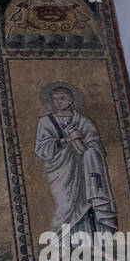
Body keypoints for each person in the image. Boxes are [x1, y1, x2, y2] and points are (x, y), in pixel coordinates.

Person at [33, 84, 116, 236]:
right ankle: (63, 243)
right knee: (64, 205)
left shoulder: (84, 122)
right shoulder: (45, 123)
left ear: (71, 100)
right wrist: (67, 140)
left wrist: (84, 146)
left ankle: (92, 242)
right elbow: (41, 149)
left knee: (87, 203)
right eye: (55, 99)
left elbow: (97, 148)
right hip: (61, 172)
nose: (58, 102)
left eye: (62, 99)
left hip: (85, 170)